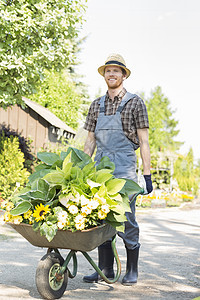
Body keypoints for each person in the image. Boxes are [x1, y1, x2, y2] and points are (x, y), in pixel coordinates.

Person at [83, 53, 153, 285]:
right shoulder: (96, 105)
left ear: (124, 75)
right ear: (104, 75)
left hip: (124, 167)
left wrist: (147, 174)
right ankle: (106, 269)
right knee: (100, 216)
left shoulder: (135, 102)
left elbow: (144, 141)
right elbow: (90, 141)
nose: (111, 74)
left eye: (116, 70)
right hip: (100, 167)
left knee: (126, 217)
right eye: (108, 71)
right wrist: (83, 169)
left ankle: (132, 269)